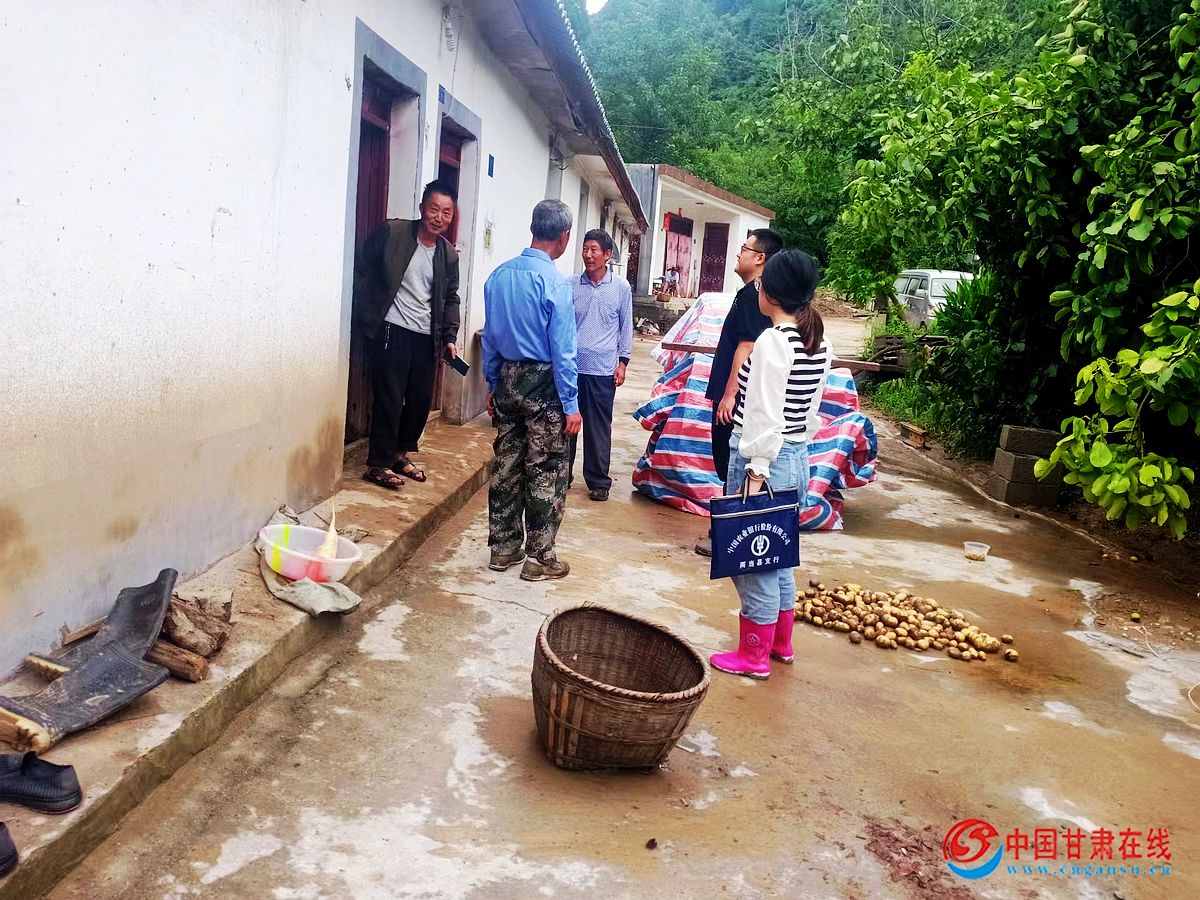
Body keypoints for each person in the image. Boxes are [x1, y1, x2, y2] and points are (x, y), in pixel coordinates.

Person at [709, 249, 833, 680]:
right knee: (777, 557)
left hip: (764, 461)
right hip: (795, 456)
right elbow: (809, 410)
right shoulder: (818, 341)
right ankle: (781, 643)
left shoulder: (773, 342)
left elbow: (763, 412)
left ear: (770, 293)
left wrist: (757, 470)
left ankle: (754, 656)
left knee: (753, 561)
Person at [482, 200, 582, 581]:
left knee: (506, 462)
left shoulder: (498, 277)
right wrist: (571, 404)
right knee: (546, 467)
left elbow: (490, 338)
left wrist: (492, 383)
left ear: (533, 228)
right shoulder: (555, 283)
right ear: (564, 236)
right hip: (543, 382)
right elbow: (563, 351)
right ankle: (540, 557)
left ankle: (503, 547)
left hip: (507, 377)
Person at [353, 180, 461, 489]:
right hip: (392, 328)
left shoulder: (447, 254)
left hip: (425, 336)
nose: (439, 217)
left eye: (446, 212)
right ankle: (378, 463)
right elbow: (363, 266)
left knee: (419, 401)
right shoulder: (393, 232)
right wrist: (369, 309)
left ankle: (399, 454)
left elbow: (450, 297)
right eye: (434, 209)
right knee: (390, 397)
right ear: (422, 208)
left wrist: (449, 336)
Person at [695, 228, 783, 556]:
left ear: (759, 258)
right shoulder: (749, 293)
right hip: (733, 394)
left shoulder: (752, 296)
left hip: (734, 397)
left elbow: (746, 346)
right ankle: (727, 533)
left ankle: (726, 537)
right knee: (729, 464)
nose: (738, 253)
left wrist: (730, 394)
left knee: (733, 463)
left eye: (744, 249)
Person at [569, 229, 633, 502]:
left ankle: (598, 482)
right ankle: (562, 476)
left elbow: (626, 326)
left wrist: (623, 362)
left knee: (598, 428)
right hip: (571, 368)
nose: (588, 254)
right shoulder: (571, 284)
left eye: (594, 250)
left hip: (603, 370)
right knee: (566, 424)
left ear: (607, 255)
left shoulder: (620, 288)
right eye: (585, 249)